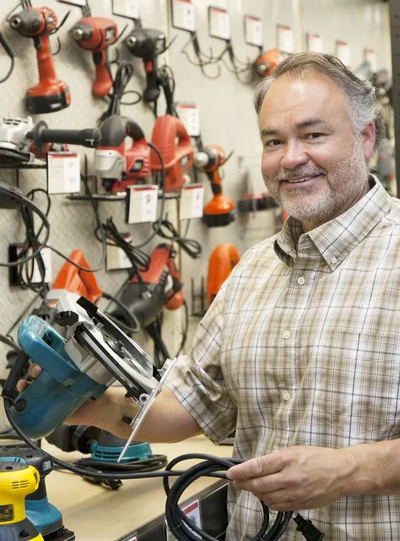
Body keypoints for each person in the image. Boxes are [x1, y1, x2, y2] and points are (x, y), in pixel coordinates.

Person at [18, 52, 400, 540]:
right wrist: (87, 403)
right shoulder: (254, 270)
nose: (291, 158)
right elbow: (193, 401)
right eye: (273, 141)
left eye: (314, 135)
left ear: (365, 137)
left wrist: (349, 471)